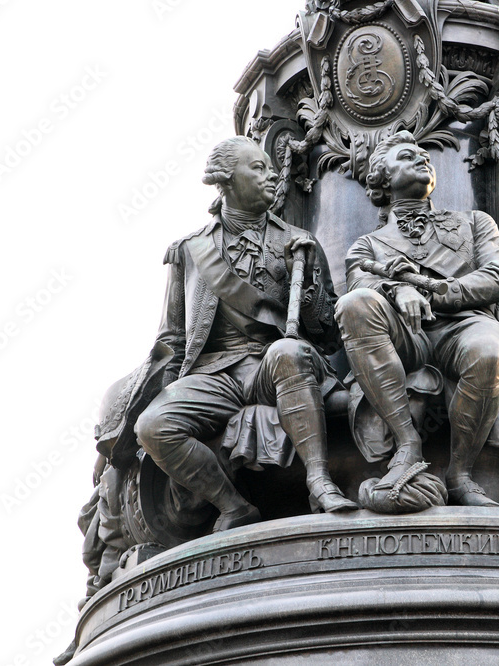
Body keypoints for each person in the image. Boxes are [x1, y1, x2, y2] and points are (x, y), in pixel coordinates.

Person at [132, 136, 357, 532]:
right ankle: (233, 505)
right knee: (152, 426)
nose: (271, 176)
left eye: (271, 168)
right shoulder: (188, 250)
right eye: (258, 168)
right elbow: (172, 339)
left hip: (272, 367)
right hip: (213, 375)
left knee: (288, 351)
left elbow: (327, 338)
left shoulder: (298, 242)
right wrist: (159, 392)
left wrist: (306, 282)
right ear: (226, 178)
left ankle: (320, 482)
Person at [335, 131, 499, 508]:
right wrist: (399, 290)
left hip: (465, 326)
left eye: (425, 156)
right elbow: (360, 283)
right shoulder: (368, 245)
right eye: (406, 156)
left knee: (488, 349)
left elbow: (496, 279)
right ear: (382, 178)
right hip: (405, 334)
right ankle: (407, 443)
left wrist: (436, 291)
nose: (422, 159)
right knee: (354, 305)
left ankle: (461, 474)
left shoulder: (475, 222)